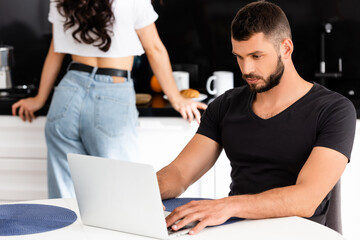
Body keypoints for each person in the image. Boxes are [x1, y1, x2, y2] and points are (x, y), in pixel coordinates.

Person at [157, 0, 356, 235]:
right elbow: (180, 173)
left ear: (286, 48)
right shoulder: (225, 105)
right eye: (239, 57)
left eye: (256, 56)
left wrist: (226, 206)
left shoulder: (334, 110)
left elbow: (307, 198)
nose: (246, 69)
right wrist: (142, 190)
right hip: (236, 230)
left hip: (299, 233)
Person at [11, 0, 207, 198]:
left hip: (67, 93)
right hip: (112, 92)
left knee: (64, 199)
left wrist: (39, 98)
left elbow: (55, 50)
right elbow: (154, 49)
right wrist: (176, 98)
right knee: (119, 195)